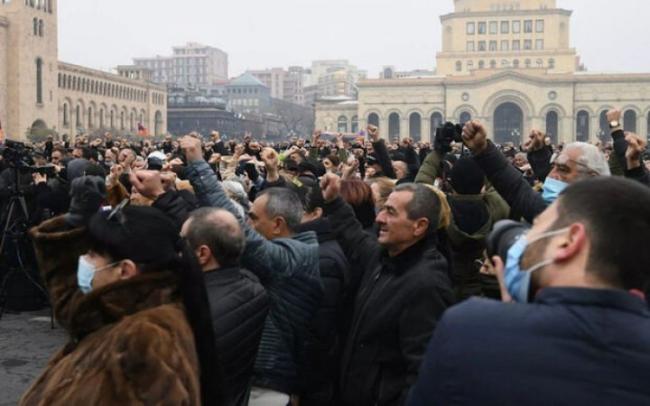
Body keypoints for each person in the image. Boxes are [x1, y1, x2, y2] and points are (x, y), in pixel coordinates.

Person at [408, 177, 650, 406]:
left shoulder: (468, 327)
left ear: (568, 241)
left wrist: (506, 323)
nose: (525, 239)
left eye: (536, 226)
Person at [21, 177, 219, 405]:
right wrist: (72, 225)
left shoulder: (147, 338)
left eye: (92, 255)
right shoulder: (125, 306)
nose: (83, 261)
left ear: (125, 269)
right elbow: (73, 308)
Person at [180, 136, 322, 405]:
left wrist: (197, 164)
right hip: (256, 378)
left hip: (266, 386)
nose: (247, 222)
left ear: (278, 225)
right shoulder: (291, 251)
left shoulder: (292, 260)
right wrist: (271, 175)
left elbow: (231, 225)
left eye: (253, 218)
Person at [320, 173, 455, 406]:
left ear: (419, 226)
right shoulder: (383, 257)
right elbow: (353, 236)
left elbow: (423, 371)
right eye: (382, 209)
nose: (379, 219)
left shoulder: (426, 285)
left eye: (391, 212)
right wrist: (333, 200)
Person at [182, 208, 270, 406]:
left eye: (182, 242)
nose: (177, 251)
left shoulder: (196, 311)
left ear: (202, 253)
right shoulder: (253, 287)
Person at [462, 120, 610, 223]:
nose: (551, 176)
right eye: (553, 167)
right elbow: (515, 186)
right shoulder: (553, 210)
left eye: (563, 169)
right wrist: (482, 149)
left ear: (592, 179)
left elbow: (518, 189)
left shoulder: (598, 226)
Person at [295, 183, 351, 406]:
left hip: (315, 380)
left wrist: (300, 384)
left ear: (316, 213)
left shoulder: (321, 259)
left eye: (295, 212)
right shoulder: (312, 249)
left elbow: (317, 333)